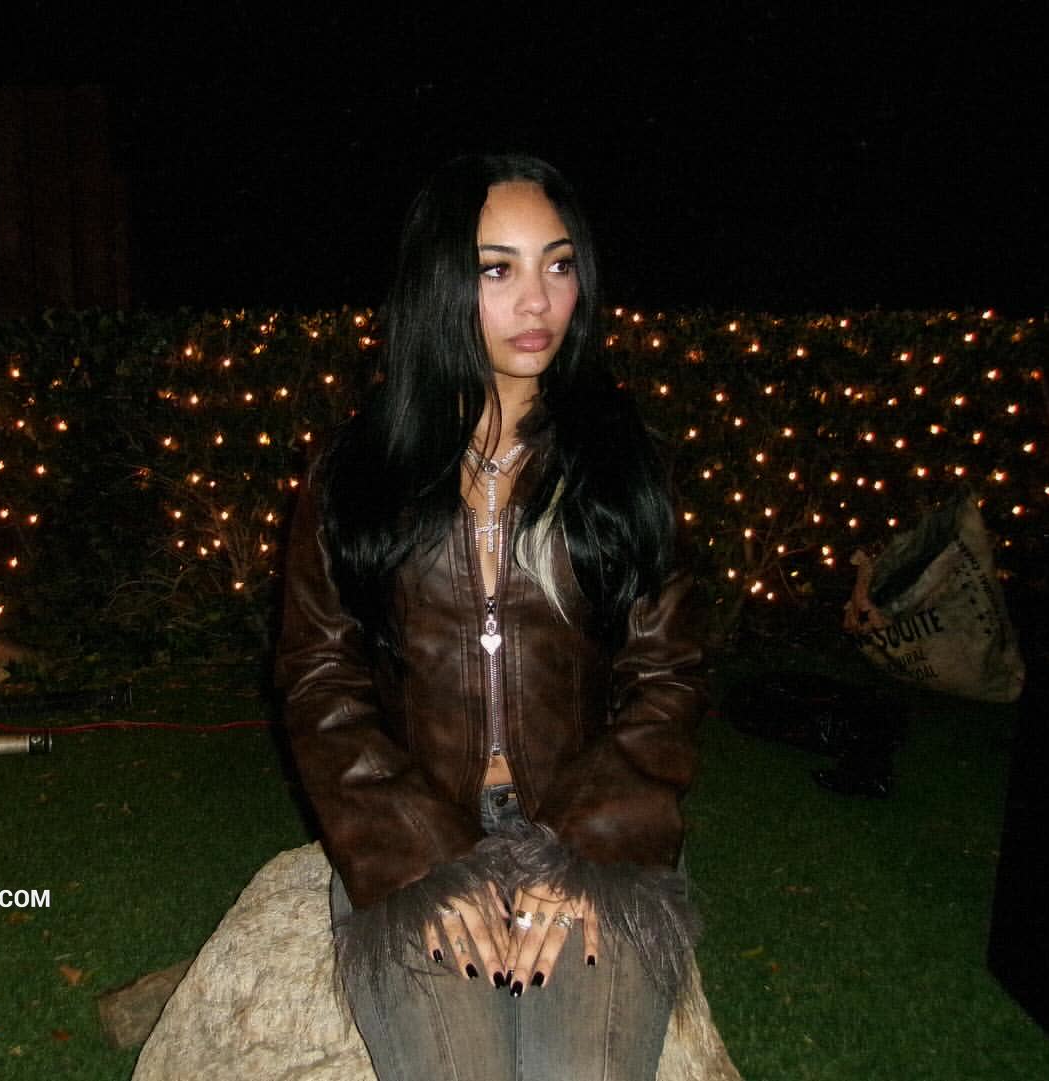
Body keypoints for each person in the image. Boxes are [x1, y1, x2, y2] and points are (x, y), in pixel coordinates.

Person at [276, 153, 707, 1081]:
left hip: (594, 825)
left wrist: (588, 842)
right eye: (497, 269)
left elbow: (666, 680)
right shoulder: (358, 472)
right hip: (417, 827)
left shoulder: (625, 463)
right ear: (439, 282)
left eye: (559, 263)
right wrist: (416, 850)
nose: (539, 300)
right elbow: (320, 680)